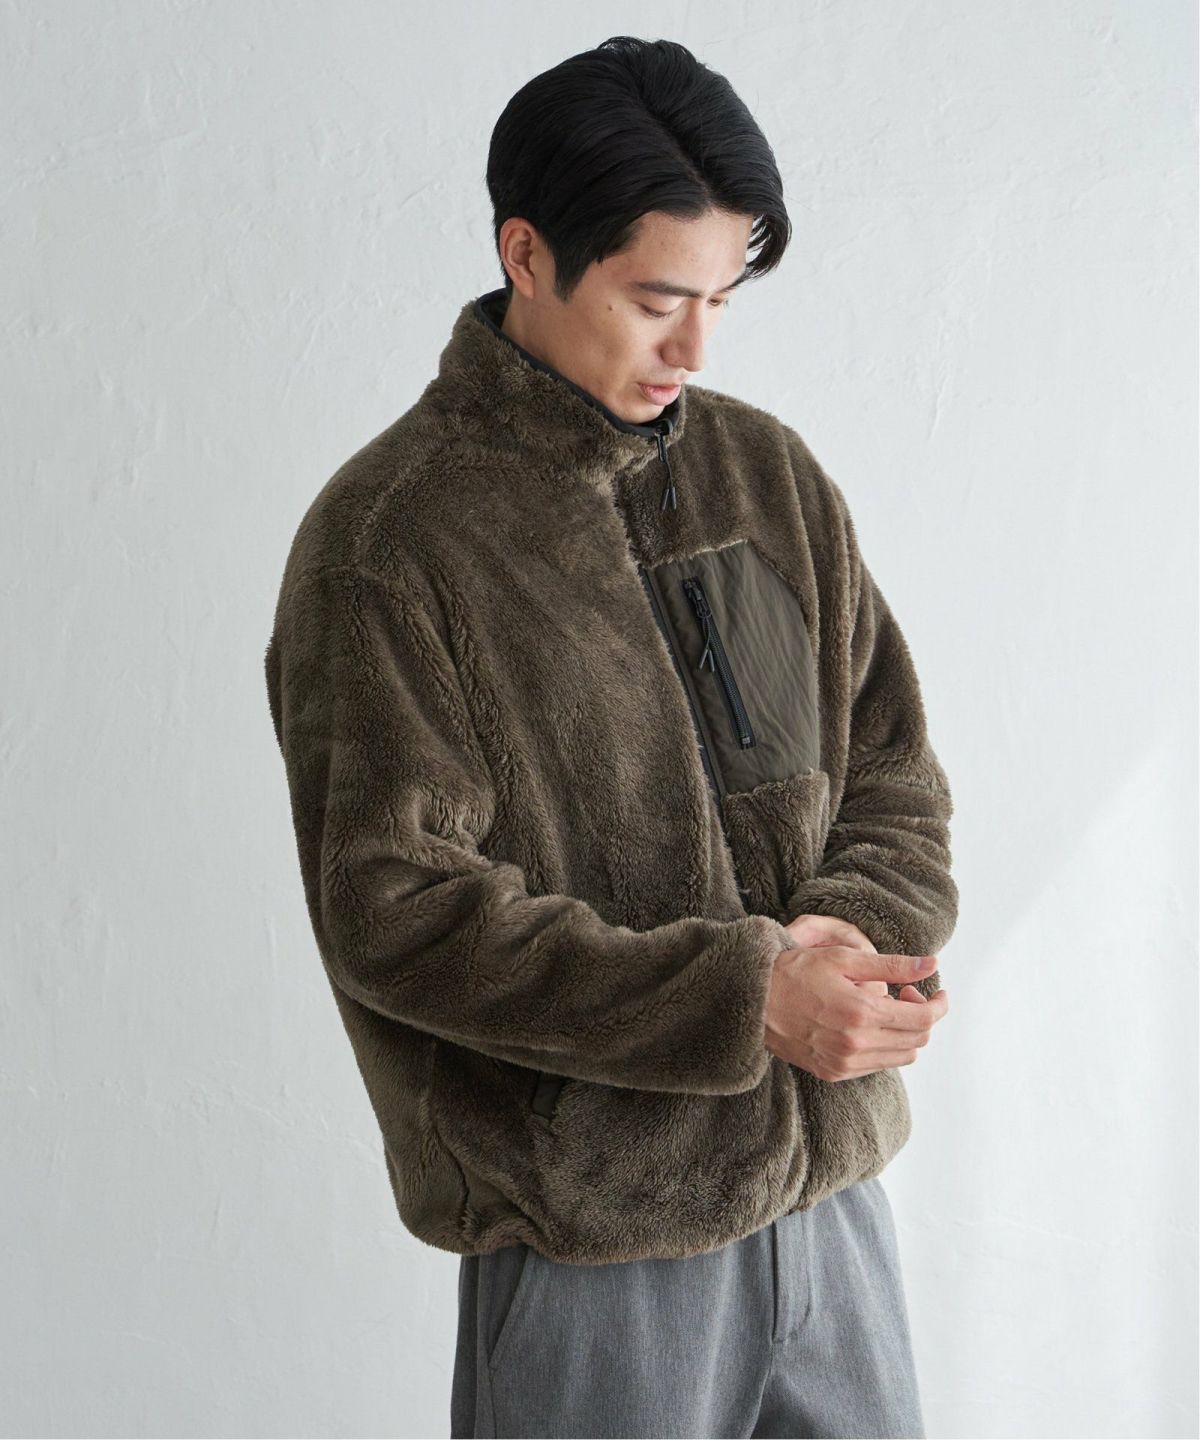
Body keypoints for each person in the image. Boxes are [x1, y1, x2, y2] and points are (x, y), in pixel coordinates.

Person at [265, 34, 957, 1440]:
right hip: (597, 1248)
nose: (695, 348)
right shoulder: (394, 545)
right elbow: (396, 909)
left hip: (832, 1218)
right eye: (656, 300)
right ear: (526, 253)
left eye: (721, 299)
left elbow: (880, 766)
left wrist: (846, 935)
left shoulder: (759, 477)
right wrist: (742, 999)